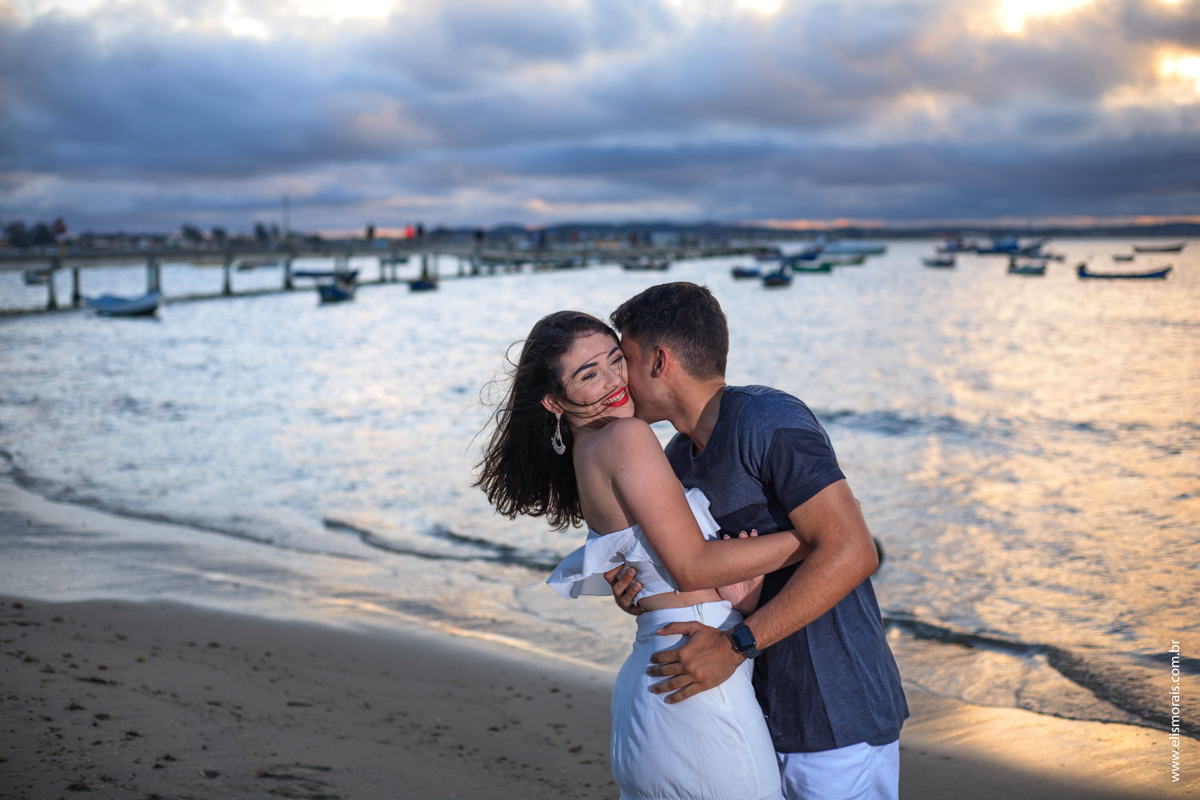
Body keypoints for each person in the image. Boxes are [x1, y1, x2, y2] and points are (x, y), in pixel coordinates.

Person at [475, 310, 815, 800]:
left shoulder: (589, 450)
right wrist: (813, 540)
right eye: (589, 374)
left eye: (617, 360)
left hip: (662, 675)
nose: (615, 381)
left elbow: (656, 568)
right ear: (553, 401)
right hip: (692, 679)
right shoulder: (627, 437)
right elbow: (690, 565)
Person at [606, 282, 908, 800]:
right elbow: (700, 569)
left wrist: (734, 645)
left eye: (623, 359)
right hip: (751, 715)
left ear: (660, 361)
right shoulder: (676, 459)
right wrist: (640, 586)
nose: (617, 379)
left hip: (836, 722)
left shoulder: (767, 420)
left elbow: (855, 551)